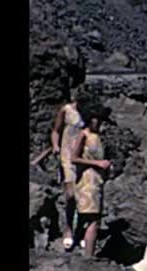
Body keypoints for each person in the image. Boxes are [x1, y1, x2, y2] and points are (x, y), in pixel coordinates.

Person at [71, 112, 111, 257]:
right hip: (87, 180)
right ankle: (89, 256)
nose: (98, 122)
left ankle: (85, 252)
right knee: (93, 219)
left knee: (92, 218)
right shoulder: (84, 135)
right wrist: (97, 163)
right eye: (96, 119)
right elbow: (73, 158)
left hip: (97, 180)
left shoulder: (97, 136)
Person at [51, 94, 85, 250]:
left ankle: (81, 230)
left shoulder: (90, 112)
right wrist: (56, 145)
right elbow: (56, 130)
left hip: (84, 158)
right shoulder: (67, 110)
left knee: (83, 196)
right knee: (71, 195)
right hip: (67, 156)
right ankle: (68, 229)